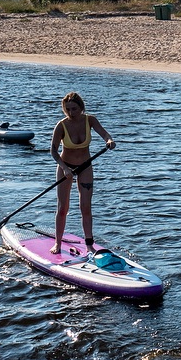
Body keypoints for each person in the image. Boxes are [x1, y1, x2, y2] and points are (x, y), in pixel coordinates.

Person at [49, 91, 115, 255]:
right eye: (68, 109)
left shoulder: (90, 120)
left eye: (74, 109)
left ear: (81, 108)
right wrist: (65, 168)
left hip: (85, 166)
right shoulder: (61, 125)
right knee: (63, 208)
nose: (71, 113)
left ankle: (89, 245)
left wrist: (109, 140)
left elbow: (104, 134)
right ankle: (57, 243)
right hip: (66, 167)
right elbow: (53, 151)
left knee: (86, 207)